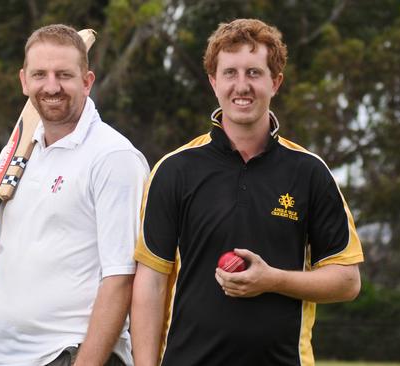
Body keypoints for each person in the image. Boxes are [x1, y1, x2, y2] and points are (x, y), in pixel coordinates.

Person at [131, 18, 363, 366]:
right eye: (230, 73)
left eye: (254, 73)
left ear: (276, 82)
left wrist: (272, 280)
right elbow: (150, 282)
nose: (242, 86)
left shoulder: (309, 171)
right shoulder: (174, 170)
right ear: (213, 82)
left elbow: (347, 281)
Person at [0, 24, 149, 366]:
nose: (51, 87)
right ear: (24, 81)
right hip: (4, 356)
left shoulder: (114, 158)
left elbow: (121, 279)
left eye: (64, 75)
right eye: (40, 74)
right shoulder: (14, 155)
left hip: (70, 354)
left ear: (87, 82)